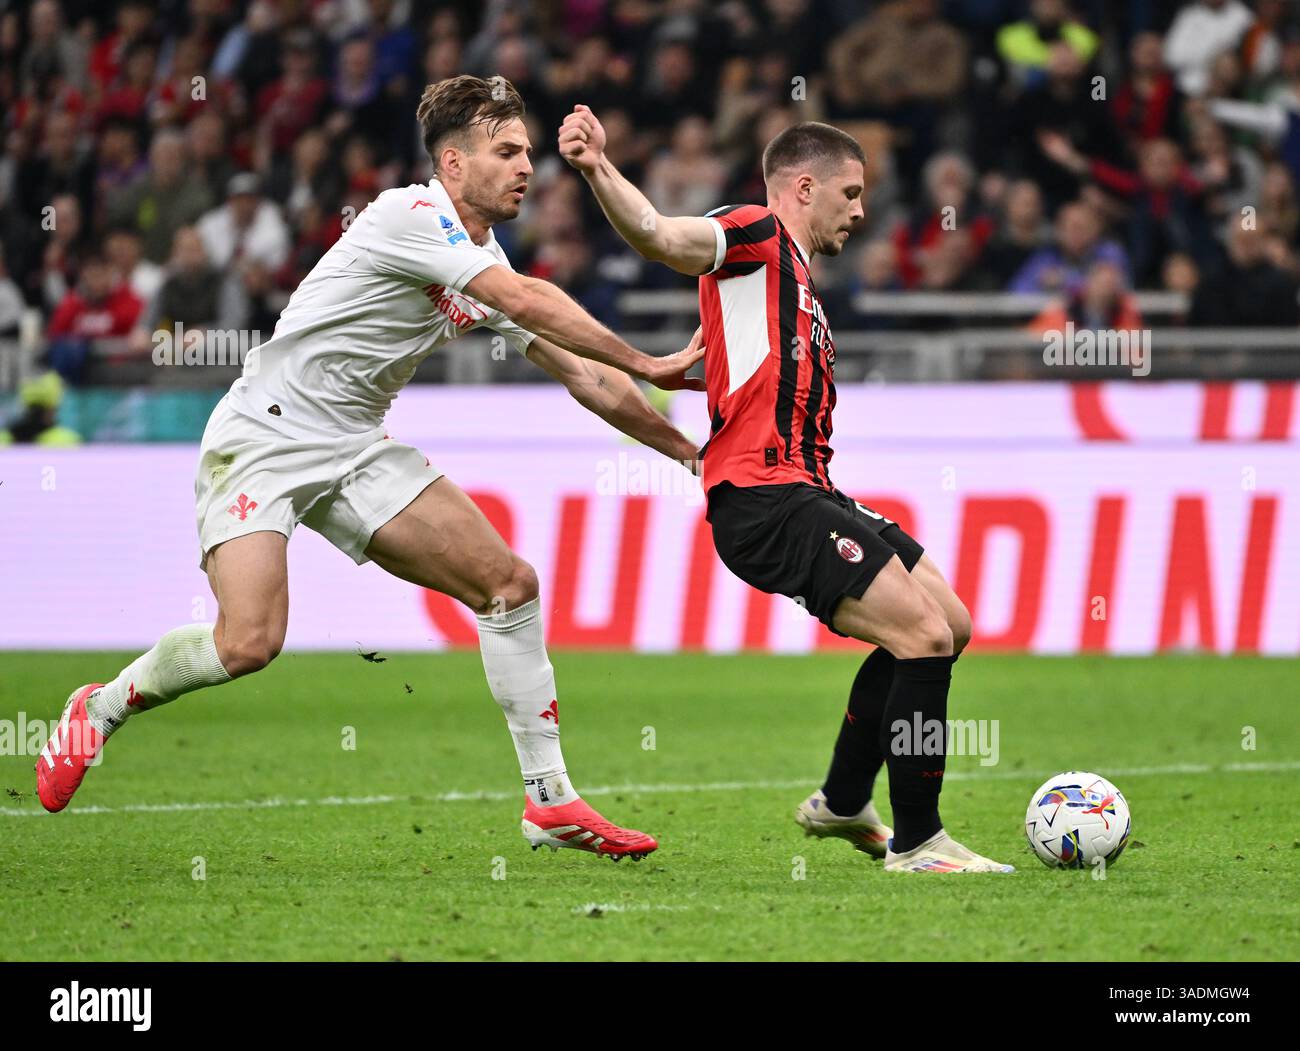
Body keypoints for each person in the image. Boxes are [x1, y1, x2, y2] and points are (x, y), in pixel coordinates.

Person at [37, 76, 706, 864]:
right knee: (248, 641)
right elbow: (526, 303)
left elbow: (586, 377)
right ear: (452, 164)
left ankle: (549, 801)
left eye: (528, 151)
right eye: (508, 151)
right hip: (263, 434)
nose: (528, 165)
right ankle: (103, 703)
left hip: (354, 445)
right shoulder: (410, 216)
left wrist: (688, 454)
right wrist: (653, 361)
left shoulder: (480, 259)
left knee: (509, 584)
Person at [559, 105, 1012, 873]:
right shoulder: (756, 232)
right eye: (852, 192)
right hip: (765, 498)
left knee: (951, 624)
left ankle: (842, 799)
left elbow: (748, 361)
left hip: (811, 488)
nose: (863, 210)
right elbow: (663, 237)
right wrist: (598, 167)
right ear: (804, 187)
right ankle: (920, 841)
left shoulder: (792, 283)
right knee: (923, 637)